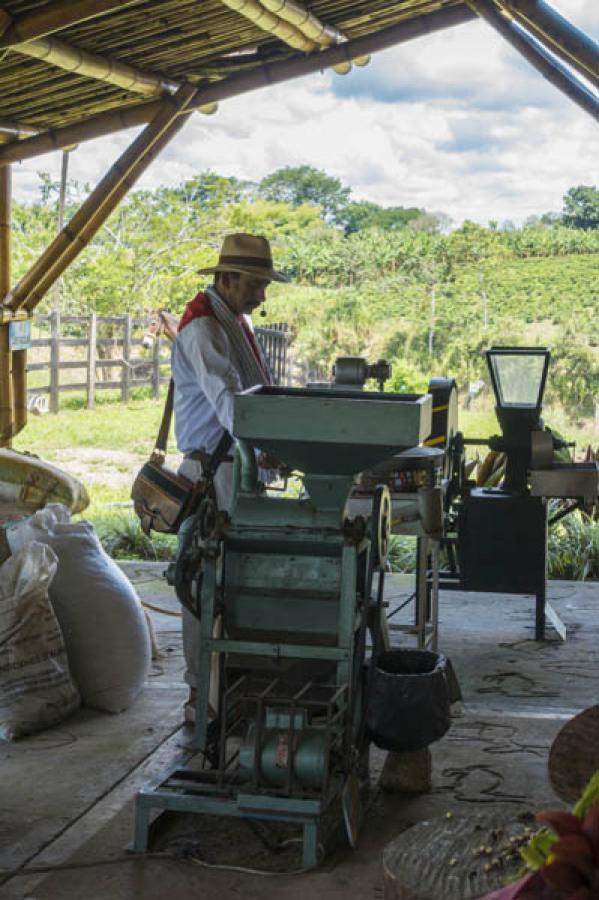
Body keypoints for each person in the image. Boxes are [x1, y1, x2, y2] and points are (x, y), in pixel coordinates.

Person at [171, 232, 288, 723]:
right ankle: (203, 698)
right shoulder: (203, 328)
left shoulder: (233, 321)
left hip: (235, 468)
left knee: (234, 586)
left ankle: (232, 686)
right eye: (257, 284)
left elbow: (254, 395)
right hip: (213, 473)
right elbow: (230, 405)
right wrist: (273, 443)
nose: (263, 295)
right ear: (230, 279)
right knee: (205, 586)